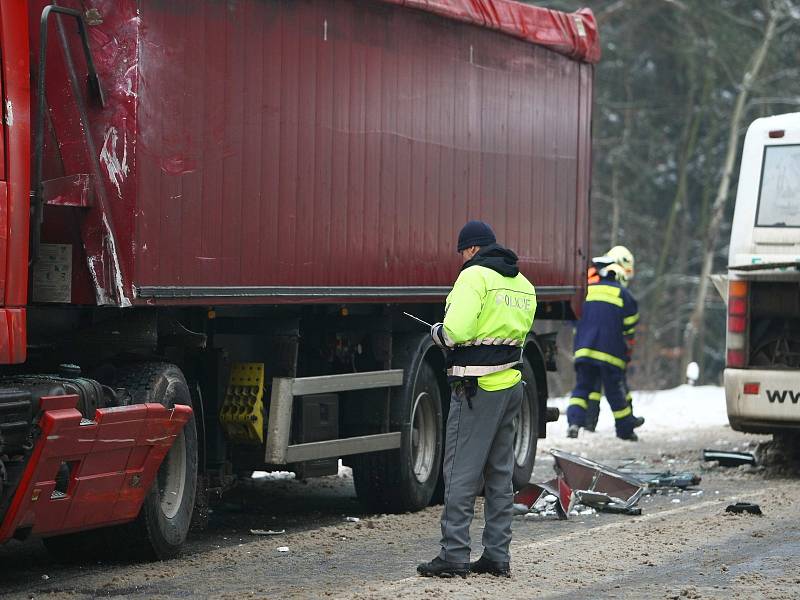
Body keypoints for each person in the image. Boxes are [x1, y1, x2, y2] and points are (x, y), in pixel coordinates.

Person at [416, 220, 536, 579]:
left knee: (460, 473)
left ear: (470, 250)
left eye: (461, 253)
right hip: (510, 386)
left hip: (475, 390)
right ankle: (497, 555)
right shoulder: (523, 283)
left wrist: (439, 332)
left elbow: (458, 331)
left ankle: (454, 554)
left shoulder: (473, 277)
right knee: (500, 475)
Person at [566, 256, 644, 440]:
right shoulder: (622, 293)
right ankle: (625, 430)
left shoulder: (587, 290)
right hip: (610, 353)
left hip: (584, 350)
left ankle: (574, 424)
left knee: (581, 389)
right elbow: (630, 324)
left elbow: (572, 318)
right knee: (614, 392)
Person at [584, 246, 639, 432]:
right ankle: (623, 421)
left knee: (594, 383)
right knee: (612, 381)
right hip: (605, 338)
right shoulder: (603, 279)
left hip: (589, 337)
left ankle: (590, 421)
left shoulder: (596, 274)